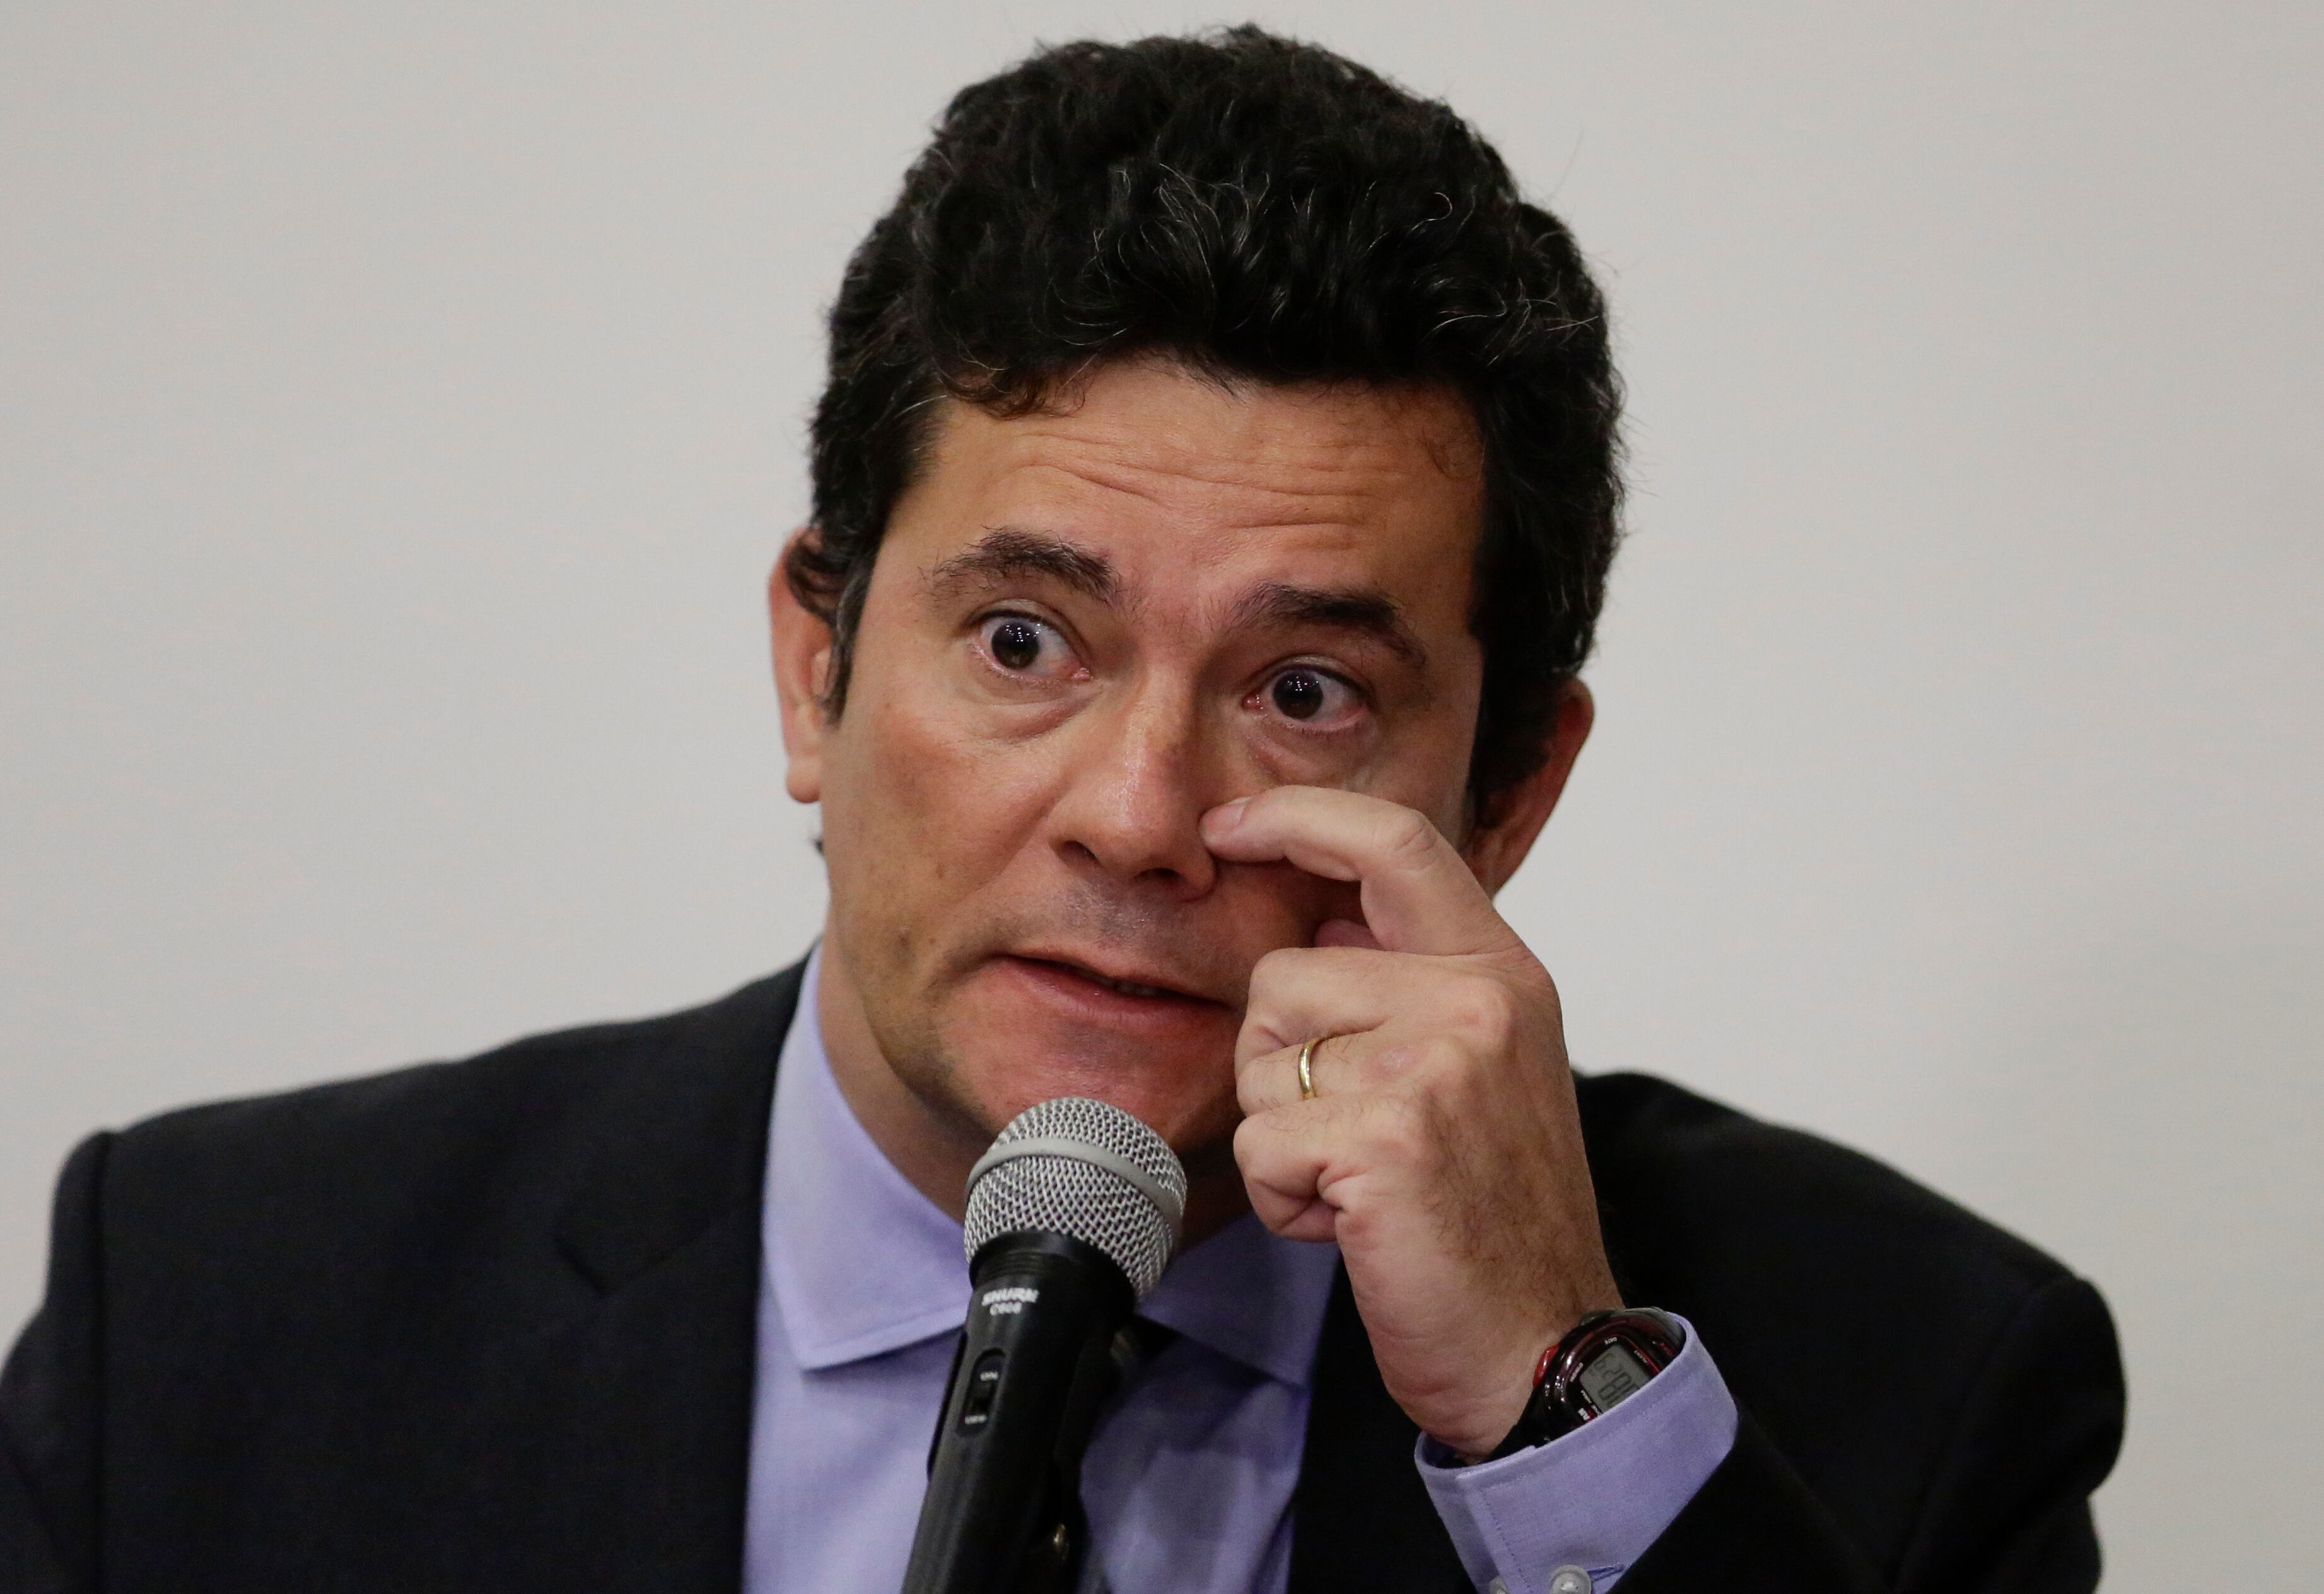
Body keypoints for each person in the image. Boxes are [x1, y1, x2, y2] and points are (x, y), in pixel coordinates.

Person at [0, 26, 2123, 1594]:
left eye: (1303, 692)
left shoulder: (1903, 1383)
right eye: (1026, 641)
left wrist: (1554, 1413)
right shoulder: (217, 1313)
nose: (1138, 815)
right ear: (818, 666)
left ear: (1505, 798)